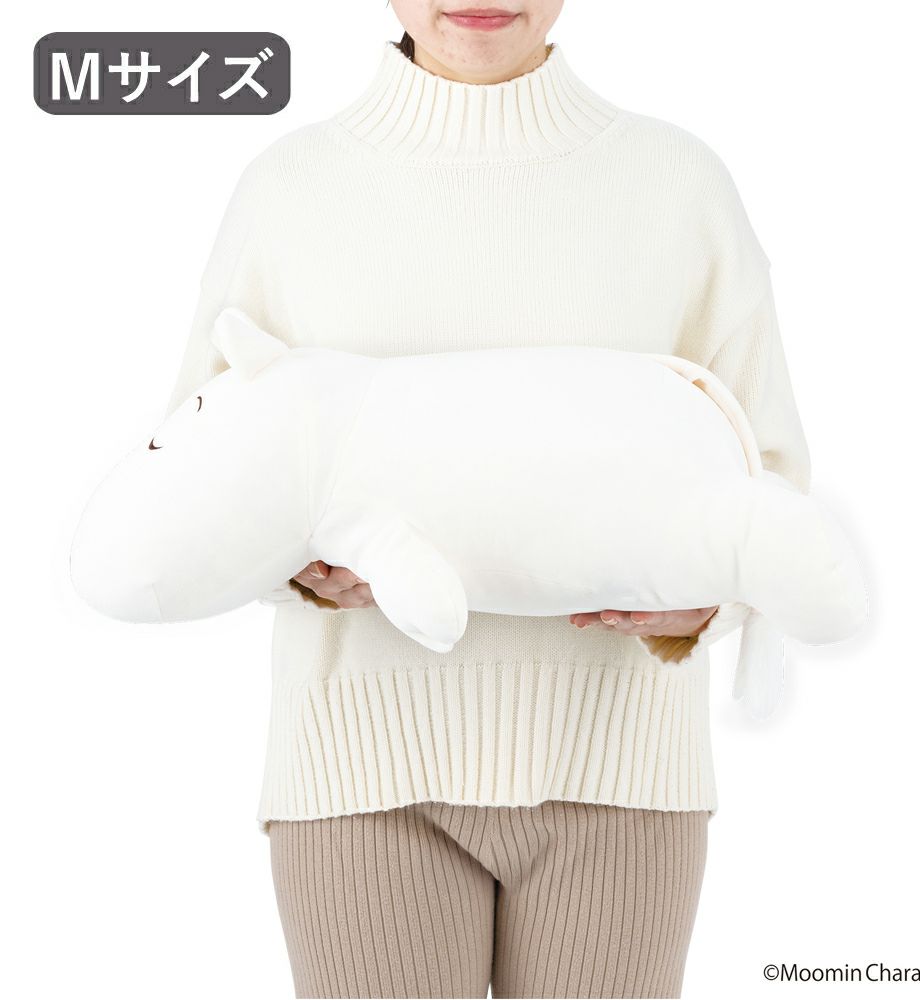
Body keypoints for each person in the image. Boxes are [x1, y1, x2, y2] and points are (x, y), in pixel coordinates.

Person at [164, 2, 810, 996]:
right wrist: (293, 564)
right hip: (359, 771)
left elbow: (768, 473)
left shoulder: (677, 184)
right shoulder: (291, 188)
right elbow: (196, 464)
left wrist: (706, 601)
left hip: (623, 771)